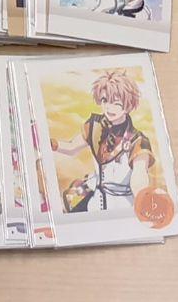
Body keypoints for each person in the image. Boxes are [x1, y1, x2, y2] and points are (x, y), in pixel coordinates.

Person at [50, 69, 154, 214]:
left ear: (128, 105)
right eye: (105, 100)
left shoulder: (138, 141)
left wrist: (144, 199)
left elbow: (139, 178)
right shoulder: (94, 126)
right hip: (94, 201)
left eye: (116, 103)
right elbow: (72, 147)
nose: (109, 108)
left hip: (123, 206)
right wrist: (49, 143)